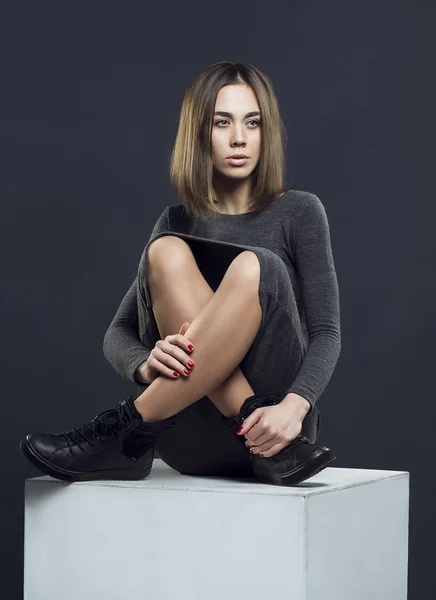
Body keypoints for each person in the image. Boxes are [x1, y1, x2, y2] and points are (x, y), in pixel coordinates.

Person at [20, 61, 341, 487]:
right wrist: (145, 364)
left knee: (256, 264)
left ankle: (126, 431)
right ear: (199, 133)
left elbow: (326, 332)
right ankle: (156, 424)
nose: (240, 138)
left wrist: (295, 407)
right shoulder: (176, 221)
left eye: (253, 122)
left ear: (267, 132)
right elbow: (118, 332)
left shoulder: (298, 211)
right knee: (167, 251)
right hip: (193, 433)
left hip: (277, 432)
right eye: (222, 122)